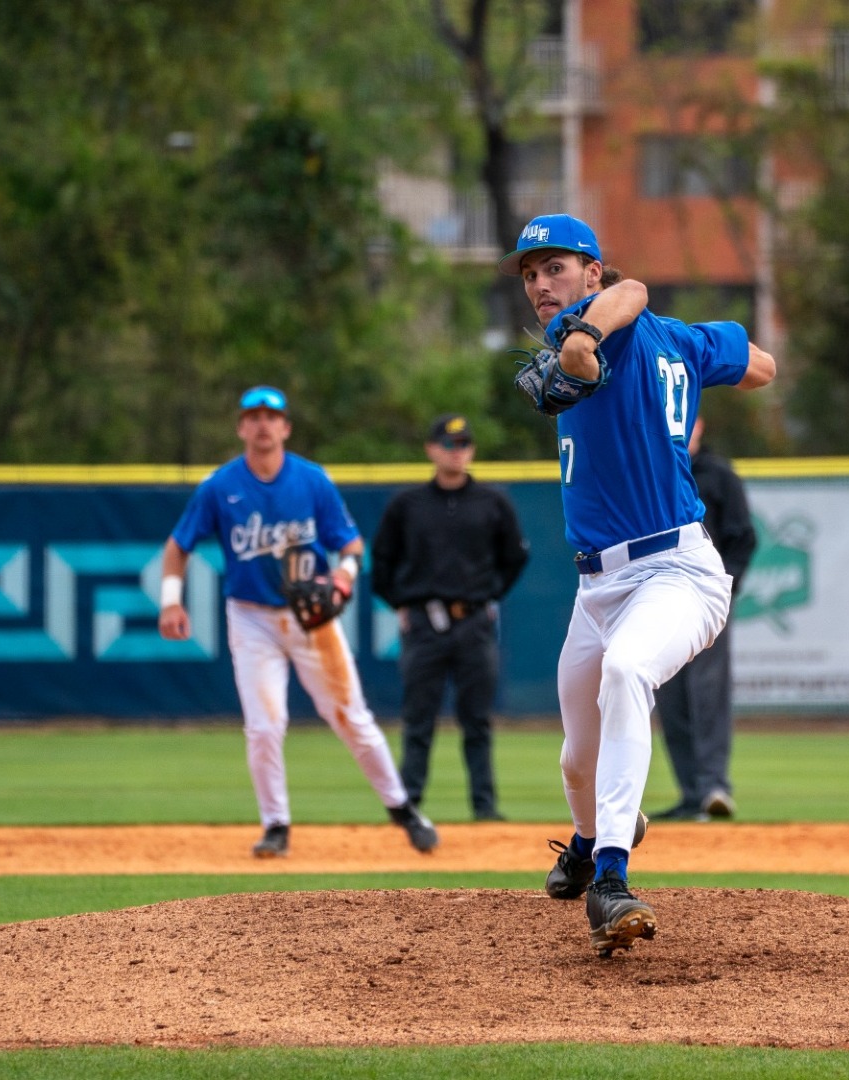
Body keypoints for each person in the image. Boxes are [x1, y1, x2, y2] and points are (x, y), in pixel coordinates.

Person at [503, 213, 777, 956]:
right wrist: (715, 363)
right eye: (530, 274)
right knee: (575, 759)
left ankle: (612, 879)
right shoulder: (676, 340)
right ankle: (591, 840)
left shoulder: (608, 323)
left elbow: (636, 291)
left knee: (627, 673)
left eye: (555, 267)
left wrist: (585, 335)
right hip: (597, 587)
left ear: (594, 273)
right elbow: (761, 365)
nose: (538, 284)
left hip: (677, 569)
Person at [157, 386, 438, 859]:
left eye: (272, 416)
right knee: (264, 725)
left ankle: (402, 808)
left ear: (285, 427)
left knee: (351, 716)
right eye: (254, 416)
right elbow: (177, 545)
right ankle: (276, 825)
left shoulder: (311, 481)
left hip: (311, 617)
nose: (263, 424)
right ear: (241, 427)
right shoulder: (219, 486)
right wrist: (170, 600)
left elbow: (351, 546)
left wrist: (344, 580)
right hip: (250, 617)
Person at [370, 414, 530, 822]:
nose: (455, 452)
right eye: (447, 444)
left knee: (477, 720)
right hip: (424, 622)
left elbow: (514, 557)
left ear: (471, 450)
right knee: (418, 718)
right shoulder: (408, 505)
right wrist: (399, 604)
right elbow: (382, 562)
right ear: (431, 449)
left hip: (474, 620)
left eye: (462, 445)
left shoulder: (493, 502)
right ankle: (407, 805)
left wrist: (491, 594)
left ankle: (484, 807)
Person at [653, 415, 756, 822]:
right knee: (670, 697)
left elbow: (743, 536)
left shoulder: (718, 475)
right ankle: (690, 793)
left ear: (698, 424)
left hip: (707, 599)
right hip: (658, 600)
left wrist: (725, 590)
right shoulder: (655, 465)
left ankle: (715, 787)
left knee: (707, 694)